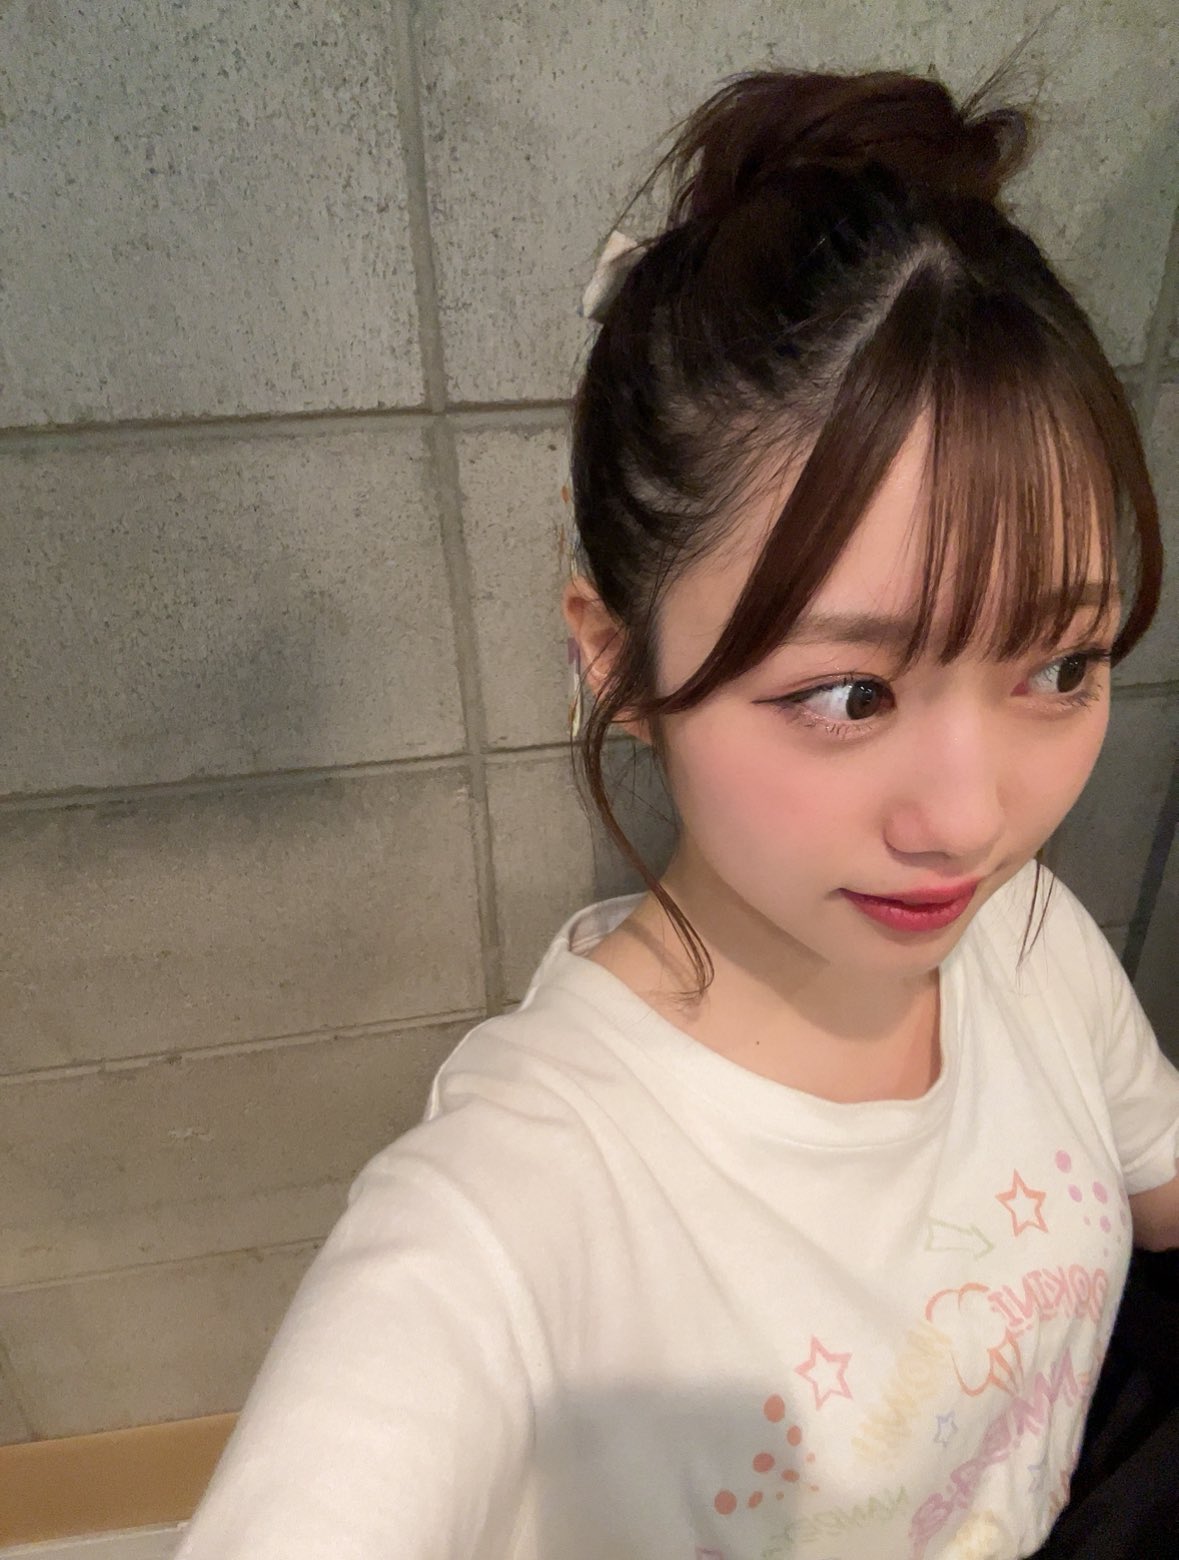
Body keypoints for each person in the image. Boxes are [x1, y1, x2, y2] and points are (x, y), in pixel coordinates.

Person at [175, 62, 1179, 1560]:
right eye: (850, 693)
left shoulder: (1029, 941)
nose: (974, 822)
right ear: (617, 660)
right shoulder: (521, 1202)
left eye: (1059, 666)